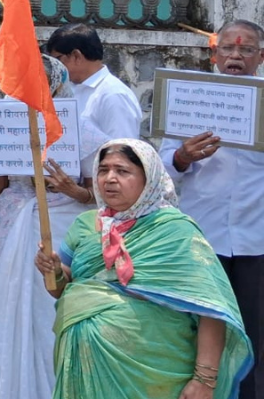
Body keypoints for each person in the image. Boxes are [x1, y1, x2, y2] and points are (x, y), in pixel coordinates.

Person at [35, 139, 253, 399]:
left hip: (158, 375)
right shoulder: (84, 224)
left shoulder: (175, 230)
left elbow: (210, 308)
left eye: (122, 171)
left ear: (149, 178)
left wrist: (204, 380)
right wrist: (54, 271)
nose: (110, 178)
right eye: (103, 170)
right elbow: (63, 290)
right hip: (86, 372)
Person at [0, 55, 88, 399]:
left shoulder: (79, 125)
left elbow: (94, 191)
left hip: (62, 221)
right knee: (11, 304)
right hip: (16, 221)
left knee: (50, 306)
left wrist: (71, 189)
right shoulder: (4, 118)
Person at [161, 19, 264, 399]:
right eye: (228, 49)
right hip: (202, 238)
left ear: (261, 56)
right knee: (195, 328)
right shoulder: (190, 98)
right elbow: (162, 168)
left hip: (256, 239)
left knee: (252, 335)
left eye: (246, 49)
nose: (236, 56)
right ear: (214, 53)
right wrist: (182, 156)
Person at [45, 23, 142, 168]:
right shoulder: (68, 89)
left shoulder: (113, 95)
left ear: (76, 56)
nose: (55, 67)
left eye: (58, 60)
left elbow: (122, 152)